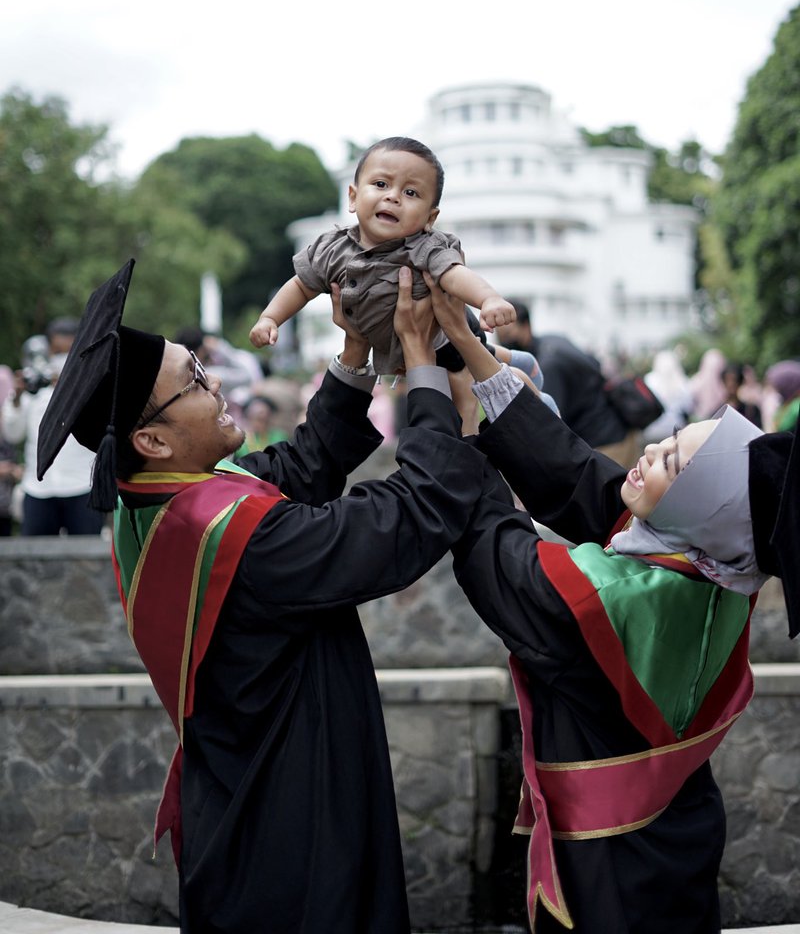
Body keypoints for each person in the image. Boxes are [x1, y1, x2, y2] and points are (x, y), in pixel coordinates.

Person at [36, 259, 497, 934]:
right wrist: (425, 369)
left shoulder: (163, 503)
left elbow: (304, 463)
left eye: (200, 365)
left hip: (238, 793)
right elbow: (402, 521)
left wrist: (356, 350)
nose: (216, 381)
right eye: (194, 382)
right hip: (295, 823)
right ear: (153, 439)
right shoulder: (232, 537)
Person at [423, 274, 798, 934]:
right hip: (677, 830)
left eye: (672, 462)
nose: (649, 449)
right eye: (670, 438)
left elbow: (502, 562)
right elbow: (572, 472)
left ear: (699, 513)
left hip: (615, 866)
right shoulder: (711, 565)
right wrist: (466, 346)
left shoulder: (622, 600)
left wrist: (449, 422)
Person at [249, 136, 516, 374]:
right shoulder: (332, 249)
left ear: (429, 217)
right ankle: (513, 361)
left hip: (442, 339)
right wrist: (270, 318)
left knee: (470, 385)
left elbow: (455, 275)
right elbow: (300, 286)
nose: (393, 197)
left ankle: (523, 372)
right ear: (352, 197)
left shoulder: (425, 247)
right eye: (380, 184)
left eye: (410, 192)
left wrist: (488, 299)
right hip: (395, 352)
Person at [495, 299, 637, 466]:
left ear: (526, 326)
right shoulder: (554, 340)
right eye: (499, 337)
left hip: (607, 442)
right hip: (617, 432)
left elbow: (549, 420)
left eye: (508, 335)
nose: (503, 342)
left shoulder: (548, 365)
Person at [1, 317, 103, 536]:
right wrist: (17, 397)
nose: (61, 359)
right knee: (33, 561)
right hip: (38, 487)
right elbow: (13, 433)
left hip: (81, 484)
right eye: (57, 352)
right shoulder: (34, 382)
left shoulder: (92, 379)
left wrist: (72, 386)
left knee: (86, 560)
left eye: (67, 351)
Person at [721, 360, 763, 429]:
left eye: (734, 380)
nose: (731, 384)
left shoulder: (751, 410)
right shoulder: (719, 411)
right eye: (728, 380)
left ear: (739, 382)